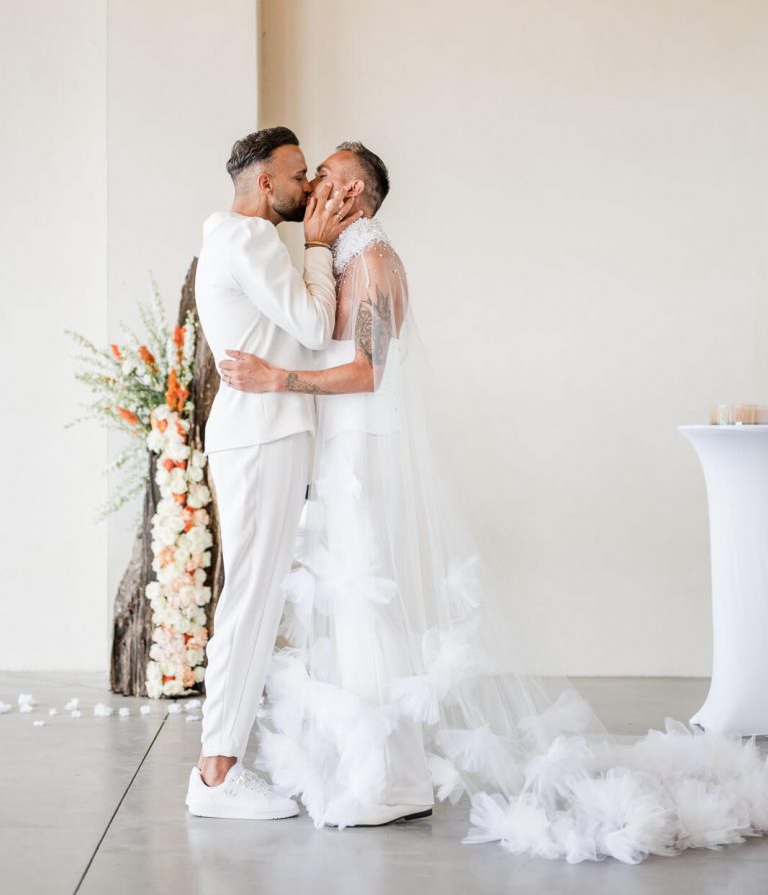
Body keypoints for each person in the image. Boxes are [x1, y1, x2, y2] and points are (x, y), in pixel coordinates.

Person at [219, 142, 768, 862]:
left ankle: (383, 781)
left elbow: (366, 369)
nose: (314, 179)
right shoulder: (347, 260)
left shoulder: (375, 262)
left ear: (353, 191)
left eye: (326, 170)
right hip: (345, 451)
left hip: (366, 452)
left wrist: (276, 381)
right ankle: (386, 774)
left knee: (365, 604)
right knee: (355, 610)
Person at [186, 127, 362, 820]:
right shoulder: (253, 240)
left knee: (256, 596)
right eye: (296, 176)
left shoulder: (235, 240)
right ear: (265, 183)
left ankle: (221, 764)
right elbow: (315, 328)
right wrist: (319, 247)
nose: (306, 187)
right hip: (260, 437)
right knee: (250, 599)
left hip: (267, 433)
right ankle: (216, 773)